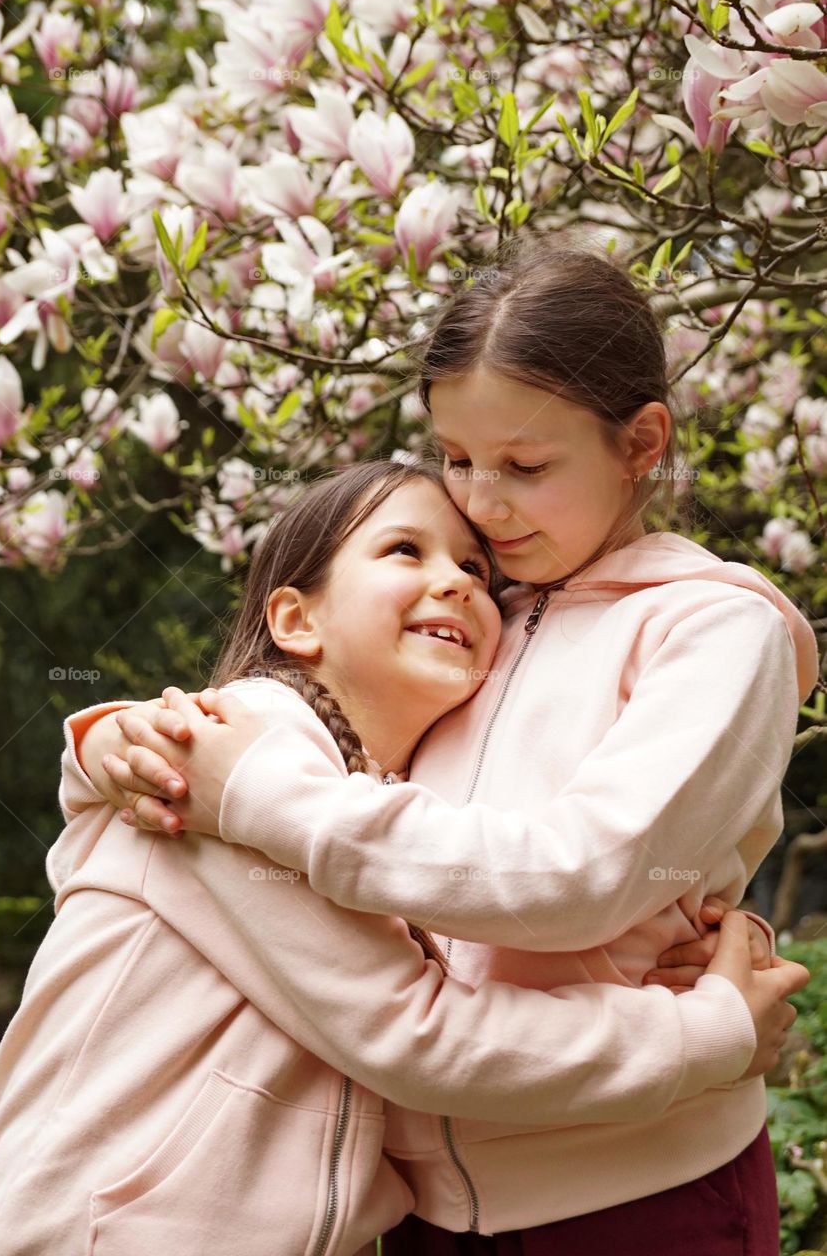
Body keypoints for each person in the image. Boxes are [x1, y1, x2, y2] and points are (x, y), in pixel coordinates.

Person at [103, 239, 819, 1254]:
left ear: (642, 440)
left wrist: (256, 796)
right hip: (423, 1206)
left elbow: (589, 870)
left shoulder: (713, 632)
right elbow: (320, 725)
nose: (480, 502)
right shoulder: (473, 611)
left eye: (525, 465)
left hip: (636, 1187)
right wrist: (123, 737)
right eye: (457, 456)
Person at [0, 461, 799, 1256]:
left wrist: (698, 922)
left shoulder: (362, 799)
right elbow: (416, 1032)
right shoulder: (221, 766)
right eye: (406, 550)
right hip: (108, 1231)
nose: (459, 583)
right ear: (295, 620)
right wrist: (711, 1029)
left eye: (476, 568)